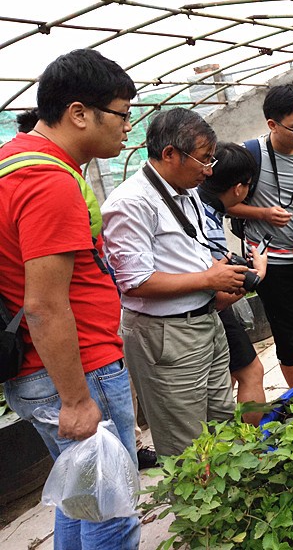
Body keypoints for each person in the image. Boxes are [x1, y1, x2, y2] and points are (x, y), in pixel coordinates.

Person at [0, 48, 140, 549]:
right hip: (79, 370)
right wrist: (77, 399)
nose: (128, 127)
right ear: (79, 113)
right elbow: (44, 304)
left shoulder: (13, 161)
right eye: (122, 114)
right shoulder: (48, 182)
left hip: (42, 370)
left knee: (81, 499)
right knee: (112, 513)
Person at [102, 108, 249, 457]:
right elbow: (134, 282)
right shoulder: (131, 203)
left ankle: (232, 490)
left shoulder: (187, 190)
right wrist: (209, 277)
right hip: (167, 335)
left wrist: (221, 274)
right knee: (186, 442)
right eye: (204, 159)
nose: (209, 170)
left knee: (222, 421)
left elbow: (189, 252)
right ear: (170, 154)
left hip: (205, 322)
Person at [226, 84, 293, 388]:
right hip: (272, 263)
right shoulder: (250, 156)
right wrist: (263, 214)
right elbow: (226, 204)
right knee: (289, 337)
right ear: (272, 124)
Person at [198, 141, 268, 426]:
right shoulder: (207, 219)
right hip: (206, 312)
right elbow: (218, 295)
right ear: (239, 188)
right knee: (251, 372)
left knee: (224, 378)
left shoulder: (196, 203)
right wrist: (257, 274)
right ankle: (250, 441)